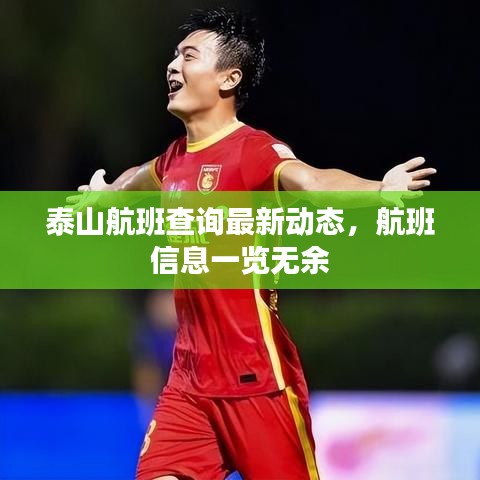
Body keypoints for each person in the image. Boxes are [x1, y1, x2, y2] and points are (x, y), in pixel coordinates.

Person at [73, 8, 435, 480]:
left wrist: (379, 189)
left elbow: (313, 181)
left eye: (189, 56)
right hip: (188, 385)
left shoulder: (253, 151)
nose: (173, 66)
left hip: (257, 382)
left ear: (229, 78)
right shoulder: (175, 159)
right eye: (174, 56)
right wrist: (108, 192)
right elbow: (139, 177)